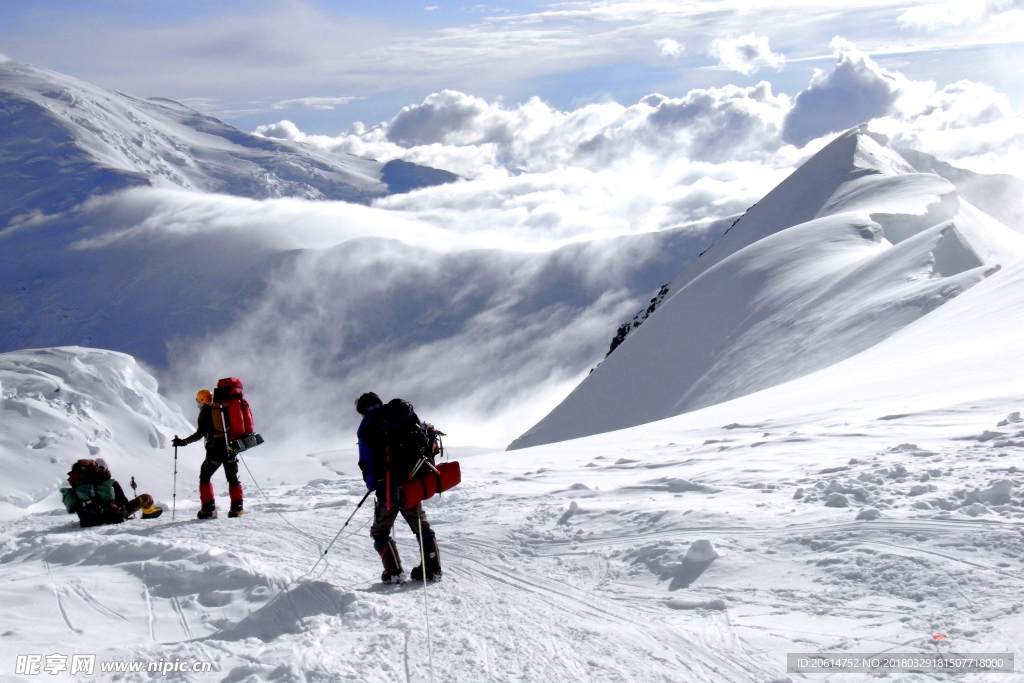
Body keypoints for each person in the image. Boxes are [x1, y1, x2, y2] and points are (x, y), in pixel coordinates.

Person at [356, 392, 443, 584]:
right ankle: (432, 567)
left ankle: (393, 572)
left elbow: (367, 461)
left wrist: (372, 486)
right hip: (413, 481)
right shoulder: (401, 415)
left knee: (380, 531)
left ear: (362, 410)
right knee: (420, 525)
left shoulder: (368, 426)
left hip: (388, 487)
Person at [172, 389, 244, 519]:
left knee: (205, 476)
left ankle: (208, 509)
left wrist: (184, 442)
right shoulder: (224, 409)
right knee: (232, 478)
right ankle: (236, 509)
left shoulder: (205, 412)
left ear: (201, 400)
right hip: (231, 448)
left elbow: (200, 433)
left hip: (215, 449)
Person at [61, 458, 162, 527]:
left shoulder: (78, 486)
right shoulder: (110, 483)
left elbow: (71, 508)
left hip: (88, 521)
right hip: (113, 517)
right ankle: (149, 514)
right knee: (146, 497)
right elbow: (124, 502)